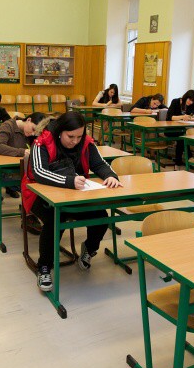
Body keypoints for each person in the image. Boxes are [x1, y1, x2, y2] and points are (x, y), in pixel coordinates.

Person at [22, 111, 122, 292]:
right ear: (60, 131)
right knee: (55, 219)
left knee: (101, 217)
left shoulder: (85, 142)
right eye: (70, 136)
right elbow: (39, 172)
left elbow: (99, 164)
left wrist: (110, 176)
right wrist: (69, 181)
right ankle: (44, 266)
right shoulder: (42, 142)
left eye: (79, 136)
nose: (75, 141)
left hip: (75, 195)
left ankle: (89, 249)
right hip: (38, 194)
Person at [0, 112, 48, 199]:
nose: (33, 134)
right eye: (33, 129)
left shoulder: (31, 133)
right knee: (35, 185)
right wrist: (22, 151)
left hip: (22, 169)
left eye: (36, 132)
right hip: (4, 171)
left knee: (40, 181)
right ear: (28, 120)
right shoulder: (8, 126)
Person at [167, 89, 194, 165]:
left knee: (182, 136)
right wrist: (182, 117)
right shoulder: (175, 102)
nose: (190, 102)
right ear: (185, 97)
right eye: (189, 99)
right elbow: (169, 117)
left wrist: (191, 119)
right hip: (170, 129)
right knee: (182, 137)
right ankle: (188, 158)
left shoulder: (191, 106)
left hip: (181, 130)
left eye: (192, 101)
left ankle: (179, 160)